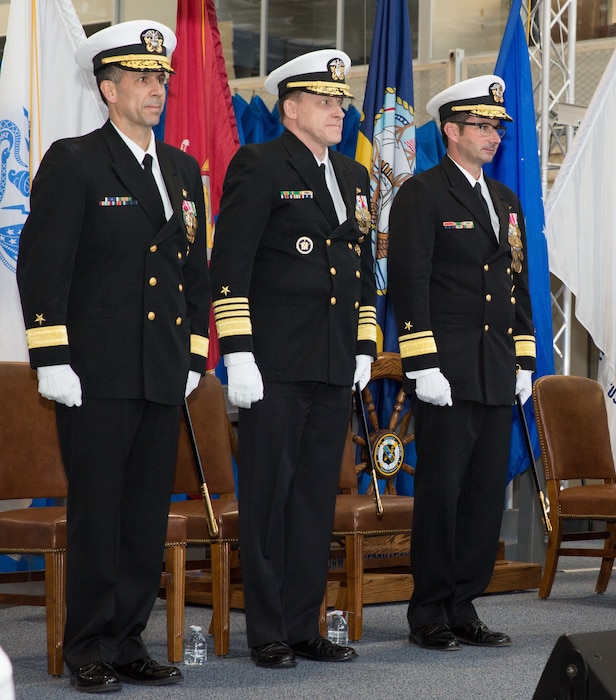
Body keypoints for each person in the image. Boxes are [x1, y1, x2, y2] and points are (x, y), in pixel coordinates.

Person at [16, 21, 208, 692]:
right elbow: (44, 269)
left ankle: (129, 640)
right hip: (93, 374)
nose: (157, 89)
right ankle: (88, 647)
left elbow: (194, 272)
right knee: (98, 514)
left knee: (145, 516)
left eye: (162, 79)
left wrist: (192, 353)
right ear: (107, 88)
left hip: (159, 370)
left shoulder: (183, 171)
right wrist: (52, 357)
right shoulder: (75, 162)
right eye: (143, 79)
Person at [209, 49, 376, 668]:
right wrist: (240, 355)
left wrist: (363, 343)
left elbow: (360, 272)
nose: (338, 112)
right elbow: (232, 266)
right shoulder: (258, 164)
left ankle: (306, 624)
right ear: (291, 107)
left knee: (313, 500)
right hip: (274, 364)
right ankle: (269, 631)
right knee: (269, 498)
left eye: (341, 102)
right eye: (326, 102)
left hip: (333, 362)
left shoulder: (354, 178)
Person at [388, 75, 536, 651]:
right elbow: (410, 282)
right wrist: (421, 361)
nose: (493, 134)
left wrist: (523, 357)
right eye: (482, 125)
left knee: (482, 493)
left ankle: (464, 603)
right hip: (445, 370)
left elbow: (517, 282)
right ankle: (428, 609)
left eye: (497, 125)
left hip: (496, 367)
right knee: (442, 492)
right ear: (450, 131)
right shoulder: (422, 194)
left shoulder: (504, 200)